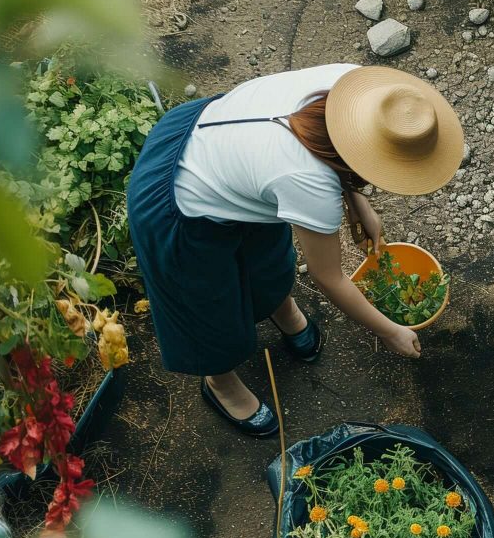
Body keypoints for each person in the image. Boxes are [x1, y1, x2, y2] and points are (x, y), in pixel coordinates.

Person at [127, 64, 463, 437]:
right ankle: (220, 383)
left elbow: (337, 143)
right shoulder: (306, 181)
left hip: (235, 156)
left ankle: (277, 306)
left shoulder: (356, 87)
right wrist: (390, 331)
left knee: (268, 258)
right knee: (207, 304)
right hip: (176, 200)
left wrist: (357, 201)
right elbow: (329, 277)